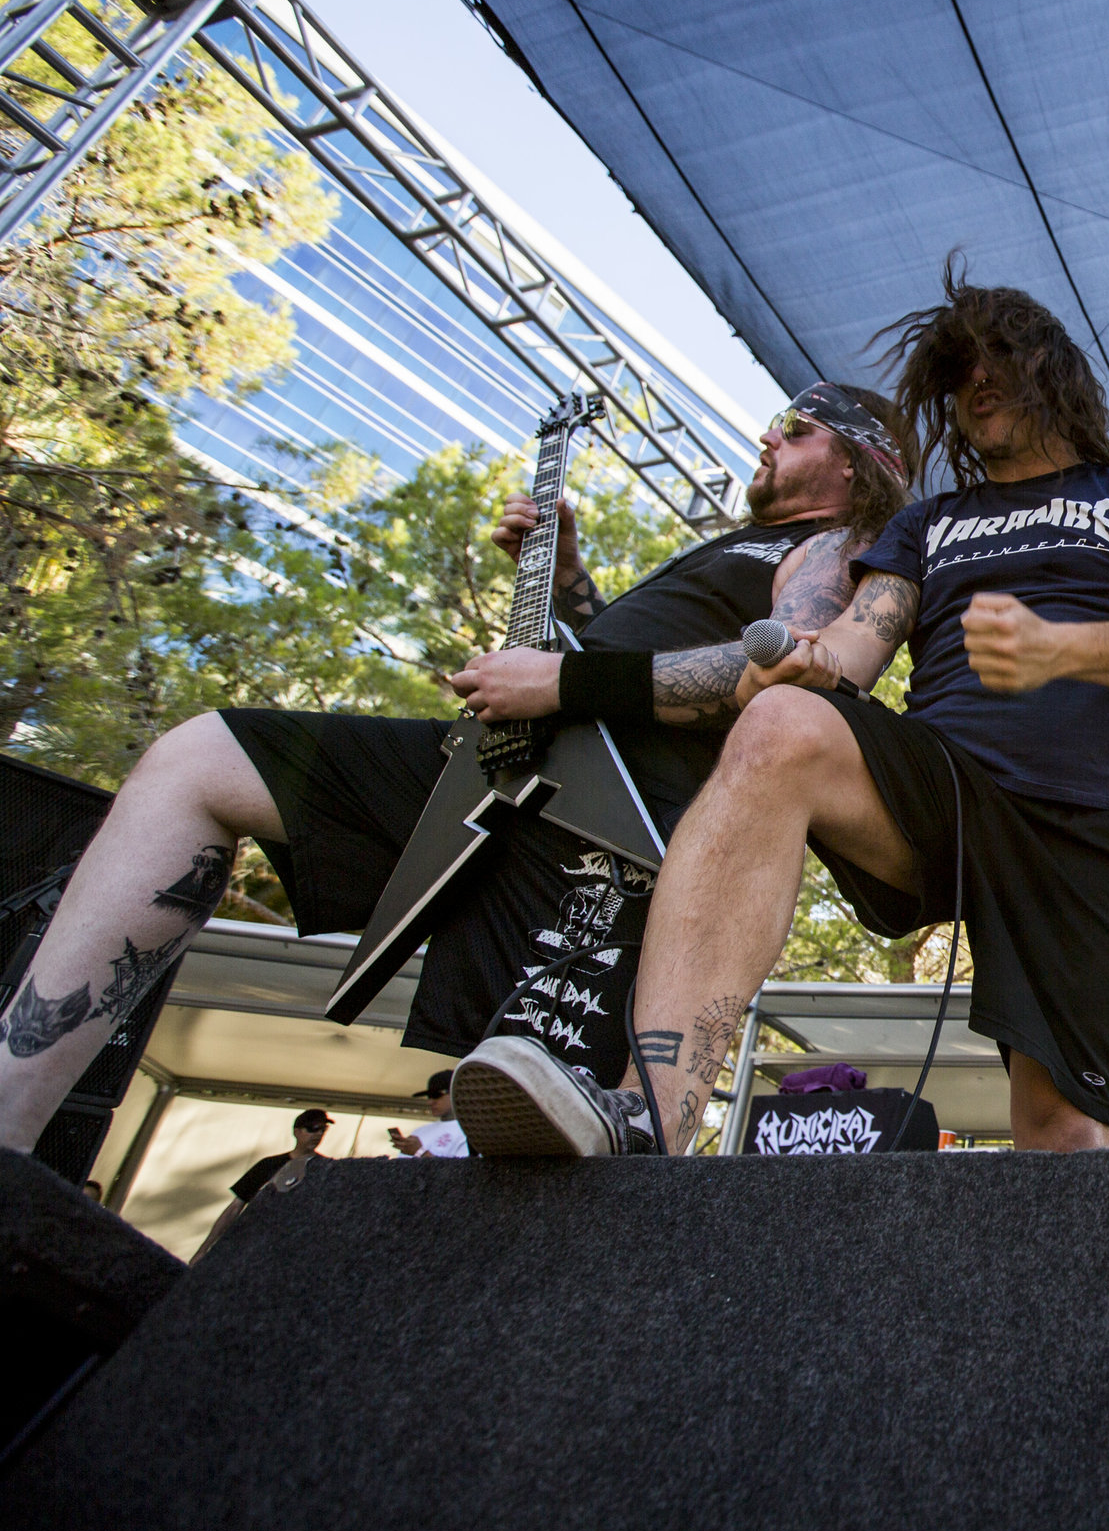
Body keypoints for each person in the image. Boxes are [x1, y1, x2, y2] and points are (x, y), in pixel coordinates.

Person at [0, 384, 908, 1153]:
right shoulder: (732, 548)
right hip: (502, 772)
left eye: (794, 429)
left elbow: (780, 672)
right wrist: (572, 591)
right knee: (201, 759)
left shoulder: (839, 546)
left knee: (519, 1132)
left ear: (857, 464)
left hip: (614, 823)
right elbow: (632, 658)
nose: (766, 437)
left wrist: (560, 675)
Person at [451, 263, 1109, 1156]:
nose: (978, 380)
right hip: (947, 788)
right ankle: (649, 1114)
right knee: (781, 725)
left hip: (1089, 820)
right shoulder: (927, 524)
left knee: (1058, 1131)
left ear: (1054, 371)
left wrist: (1054, 646)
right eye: (959, 368)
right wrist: (810, 663)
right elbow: (859, 640)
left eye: (1000, 356)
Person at [194, 1109, 332, 1260]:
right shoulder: (269, 1165)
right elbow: (235, 1207)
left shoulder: (327, 1169)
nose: (319, 1134)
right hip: (258, 1243)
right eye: (313, 1129)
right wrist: (204, 1249)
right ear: (297, 1132)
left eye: (323, 1129)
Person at [389, 1070, 468, 1158]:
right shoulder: (419, 1132)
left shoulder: (471, 1131)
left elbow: (462, 1170)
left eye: (436, 1095)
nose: (430, 1102)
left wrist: (420, 1152)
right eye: (429, 1096)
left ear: (456, 1093)